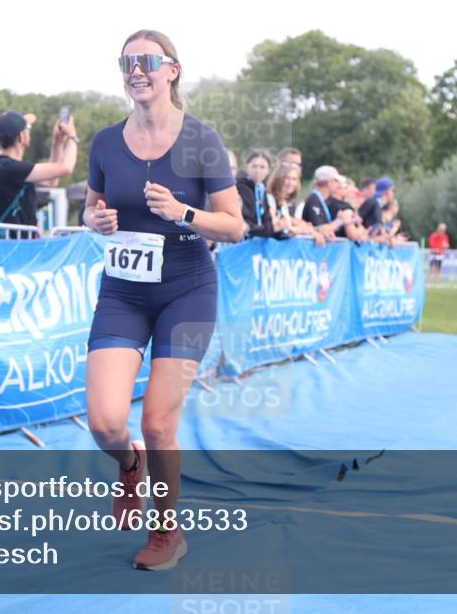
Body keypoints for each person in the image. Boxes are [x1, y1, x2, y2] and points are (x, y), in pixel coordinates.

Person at [83, 29, 244, 571]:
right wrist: (96, 219)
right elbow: (90, 209)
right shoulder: (106, 142)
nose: (135, 69)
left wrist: (184, 214)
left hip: (187, 290)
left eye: (147, 60)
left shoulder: (202, 139)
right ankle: (130, 468)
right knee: (106, 422)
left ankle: (165, 533)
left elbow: (235, 226)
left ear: (172, 69)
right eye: (126, 61)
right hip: (123, 292)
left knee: (157, 423)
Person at [0, 111, 78, 236]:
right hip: (16, 246)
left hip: (13, 244)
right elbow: (66, 167)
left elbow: (51, 181)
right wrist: (72, 136)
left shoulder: (0, 164)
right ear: (22, 136)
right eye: (28, 129)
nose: (29, 131)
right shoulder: (13, 169)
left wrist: (57, 142)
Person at [265, 161, 325, 245]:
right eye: (287, 178)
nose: (290, 183)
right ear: (279, 179)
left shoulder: (284, 202)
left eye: (294, 179)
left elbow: (288, 223)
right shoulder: (269, 198)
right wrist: (302, 230)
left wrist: (308, 228)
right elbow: (277, 225)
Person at [301, 166, 351, 240]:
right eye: (336, 181)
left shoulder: (319, 200)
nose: (338, 185)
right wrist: (340, 221)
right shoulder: (313, 199)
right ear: (329, 182)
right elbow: (320, 229)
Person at [236, 149, 275, 238]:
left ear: (268, 170)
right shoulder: (241, 187)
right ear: (247, 166)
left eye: (262, 167)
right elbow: (246, 223)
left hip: (258, 237)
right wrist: (263, 228)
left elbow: (268, 222)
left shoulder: (263, 189)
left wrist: (264, 228)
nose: (258, 170)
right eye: (254, 166)